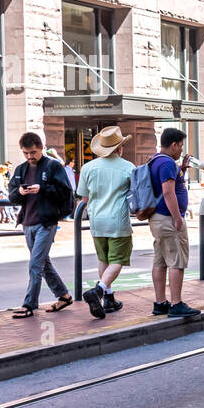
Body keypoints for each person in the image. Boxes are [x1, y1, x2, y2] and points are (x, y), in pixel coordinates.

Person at [7, 132, 76, 318]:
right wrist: (20, 191)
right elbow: (11, 196)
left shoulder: (53, 166)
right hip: (27, 223)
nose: (30, 156)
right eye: (26, 153)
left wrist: (42, 189)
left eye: (33, 152)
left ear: (41, 148)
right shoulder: (21, 169)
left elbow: (66, 193)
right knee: (43, 263)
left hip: (46, 223)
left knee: (35, 264)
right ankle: (64, 295)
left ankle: (29, 305)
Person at [76, 127, 135, 319]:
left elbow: (84, 198)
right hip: (118, 219)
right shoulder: (128, 167)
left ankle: (109, 298)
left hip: (96, 219)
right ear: (120, 148)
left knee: (104, 259)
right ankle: (99, 290)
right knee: (118, 260)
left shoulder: (88, 168)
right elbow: (135, 195)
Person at [149, 128, 201, 318]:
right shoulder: (168, 164)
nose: (181, 149)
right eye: (180, 145)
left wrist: (182, 170)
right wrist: (177, 217)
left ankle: (160, 303)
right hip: (168, 219)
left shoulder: (155, 160)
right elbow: (168, 192)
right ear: (173, 145)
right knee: (176, 262)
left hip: (157, 218)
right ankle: (176, 303)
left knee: (160, 261)